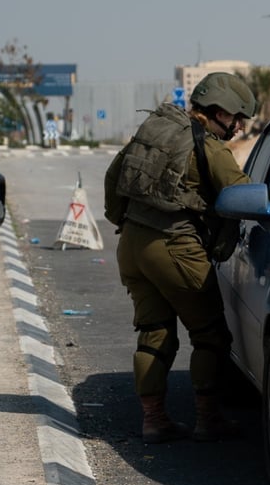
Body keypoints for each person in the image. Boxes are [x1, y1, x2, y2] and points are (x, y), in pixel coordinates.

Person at [106, 72, 256, 443]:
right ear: (221, 111)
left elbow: (114, 178)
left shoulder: (158, 131)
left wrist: (125, 222)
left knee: (154, 334)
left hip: (131, 244)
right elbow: (245, 197)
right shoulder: (210, 148)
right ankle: (208, 418)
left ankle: (153, 420)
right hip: (175, 247)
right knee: (210, 336)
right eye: (237, 119)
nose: (238, 127)